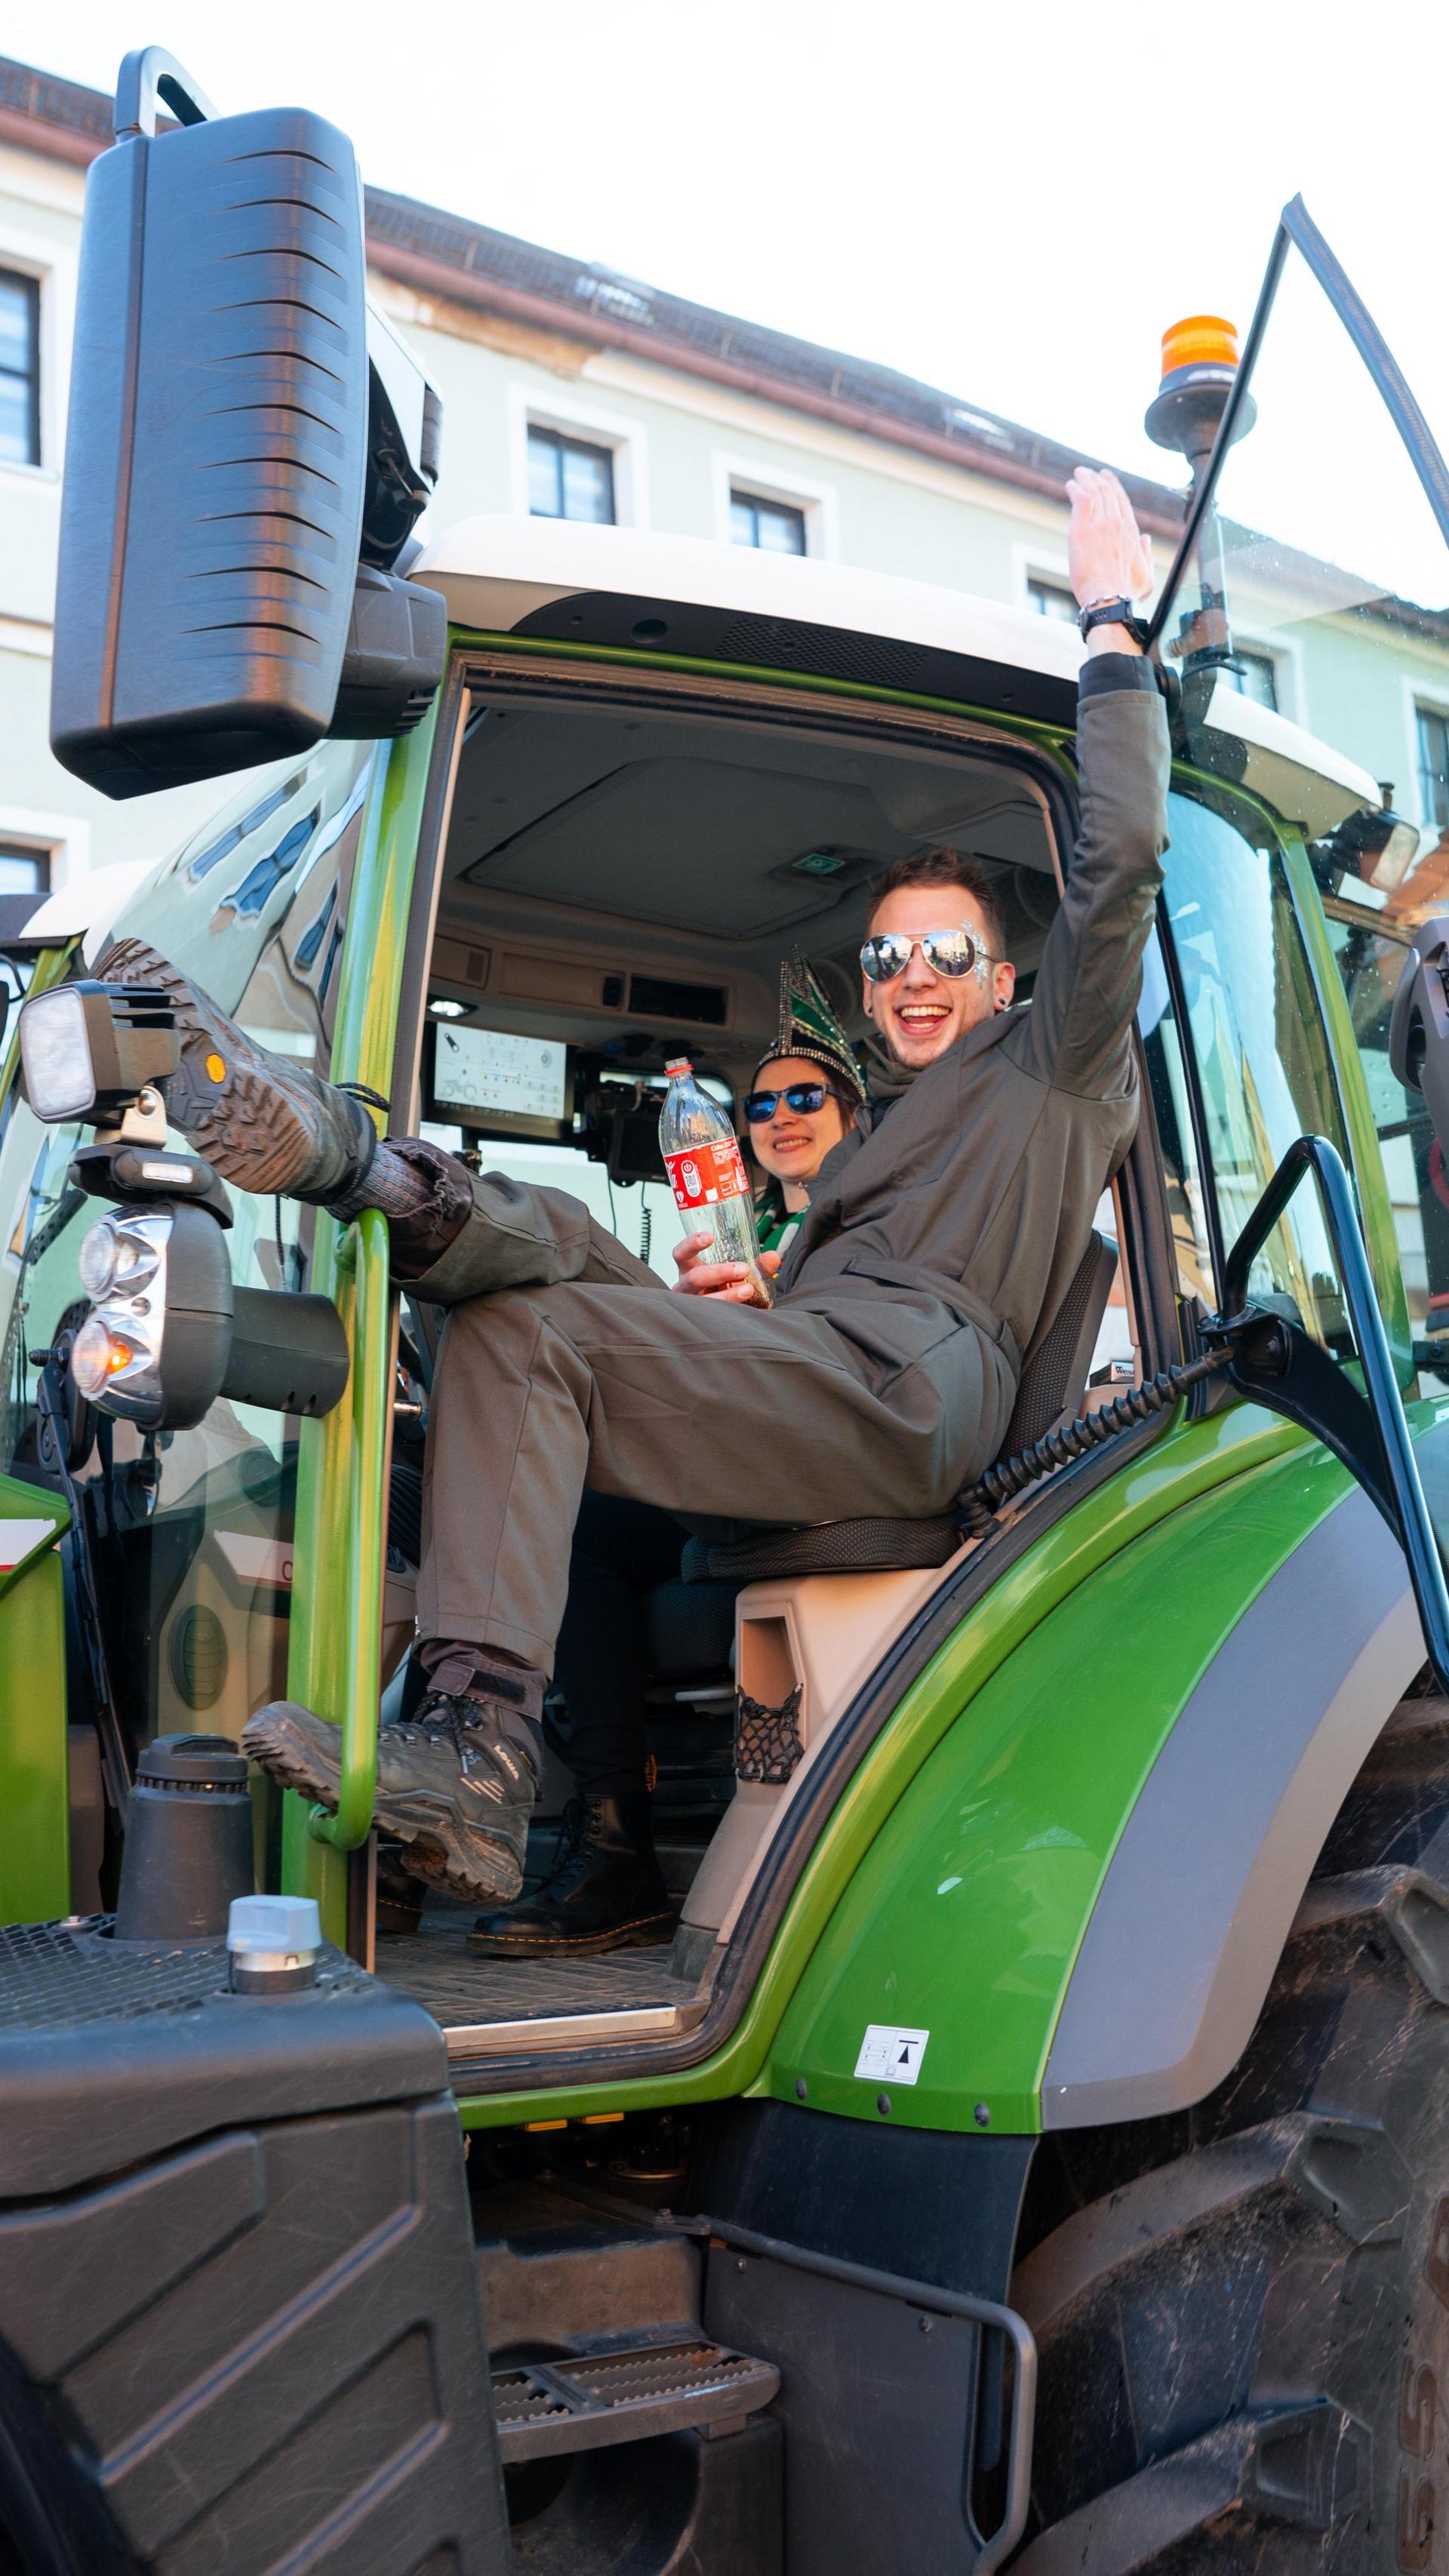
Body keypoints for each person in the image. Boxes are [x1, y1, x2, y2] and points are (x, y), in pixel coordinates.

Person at [100, 467, 1167, 1922]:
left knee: (530, 1328)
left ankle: (480, 1757)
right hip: (832, 1353)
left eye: (945, 954)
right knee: (565, 1257)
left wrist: (1110, 625)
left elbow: (1120, 868)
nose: (912, 976)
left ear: (1003, 978)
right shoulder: (881, 1138)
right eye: (886, 958)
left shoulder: (1051, 1069)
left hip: (912, 1390)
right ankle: (361, 1165)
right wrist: (760, 1302)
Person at [460, 959, 867, 1960]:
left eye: (805, 1098)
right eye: (760, 1104)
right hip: (735, 1455)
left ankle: (609, 1844)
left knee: (590, 1531)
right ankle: (584, 1825)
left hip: (828, 1468)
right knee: (573, 1523)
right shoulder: (744, 1227)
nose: (780, 1116)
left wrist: (774, 1308)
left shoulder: (871, 1220)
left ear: (855, 1116)